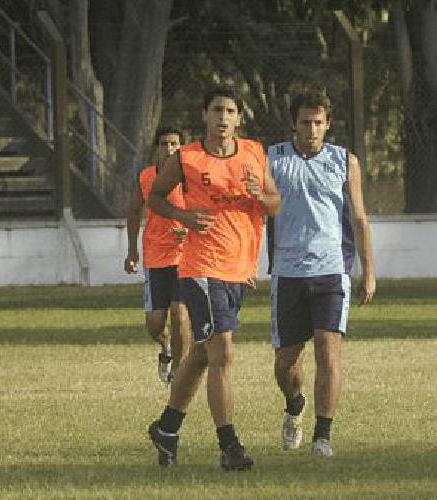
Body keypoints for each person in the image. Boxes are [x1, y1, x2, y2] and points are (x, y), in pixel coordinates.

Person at [144, 86, 282, 471]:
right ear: (204, 115)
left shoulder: (254, 153)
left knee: (202, 354)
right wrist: (184, 217)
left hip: (239, 271)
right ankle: (229, 446)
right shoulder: (187, 158)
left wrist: (260, 195)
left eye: (230, 111)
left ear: (239, 118)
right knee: (223, 353)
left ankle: (167, 426)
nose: (223, 117)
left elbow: (275, 204)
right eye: (217, 110)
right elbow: (155, 198)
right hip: (201, 268)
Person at [266, 89, 376, 458]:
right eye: (304, 122)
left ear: (328, 124)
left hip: (331, 270)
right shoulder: (273, 159)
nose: (312, 129)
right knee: (285, 364)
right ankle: (294, 405)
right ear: (293, 124)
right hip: (287, 272)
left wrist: (369, 271)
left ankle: (322, 436)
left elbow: (359, 218)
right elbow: (258, 212)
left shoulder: (345, 161)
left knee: (328, 352)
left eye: (318, 122)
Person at [124, 126, 191, 384]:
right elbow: (133, 211)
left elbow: (206, 211)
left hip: (184, 258)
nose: (170, 149)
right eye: (165, 144)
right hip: (155, 258)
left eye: (175, 144)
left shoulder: (190, 178)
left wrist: (190, 231)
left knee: (180, 314)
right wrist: (131, 251)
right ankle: (166, 348)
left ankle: (179, 372)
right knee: (155, 324)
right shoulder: (147, 177)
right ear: (157, 149)